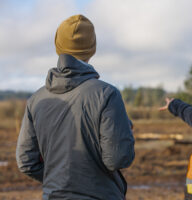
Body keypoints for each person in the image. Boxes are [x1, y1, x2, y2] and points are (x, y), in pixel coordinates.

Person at [16, 15, 135, 200]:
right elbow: (118, 158)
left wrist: (58, 181)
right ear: (92, 48)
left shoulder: (36, 100)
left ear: (58, 46)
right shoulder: (107, 94)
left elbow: (26, 162)